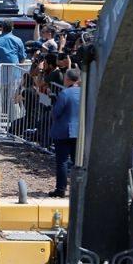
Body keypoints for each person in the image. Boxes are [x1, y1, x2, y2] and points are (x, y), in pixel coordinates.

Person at [0, 21, 27, 132]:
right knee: (13, 99)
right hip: (14, 73)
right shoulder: (18, 40)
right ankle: (16, 126)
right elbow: (22, 58)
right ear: (12, 28)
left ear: (2, 28)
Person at [49, 68, 81, 197]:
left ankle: (61, 189)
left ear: (67, 79)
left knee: (62, 161)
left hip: (63, 131)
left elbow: (56, 113)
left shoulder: (65, 93)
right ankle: (78, 190)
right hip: (79, 132)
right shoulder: (84, 93)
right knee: (77, 162)